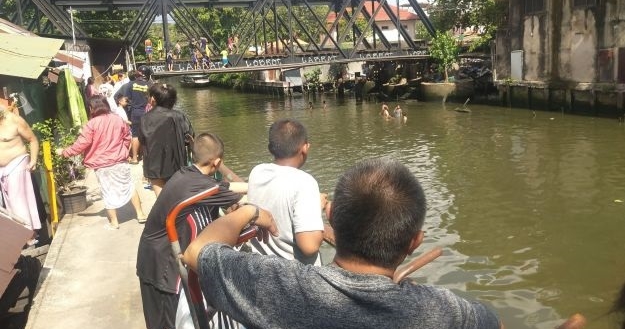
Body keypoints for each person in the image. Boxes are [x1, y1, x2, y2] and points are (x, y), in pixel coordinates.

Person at [183, 157, 502, 329]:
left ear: (331, 216)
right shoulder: (441, 310)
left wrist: (249, 212)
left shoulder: (281, 284)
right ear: (414, 243)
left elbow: (195, 251)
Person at [137, 133, 244, 329]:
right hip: (163, 269)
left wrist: (249, 185)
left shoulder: (187, 175)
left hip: (152, 259)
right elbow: (242, 202)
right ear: (217, 162)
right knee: (168, 322)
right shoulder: (199, 185)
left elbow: (226, 186)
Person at [246, 119, 325, 265]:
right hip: (295, 274)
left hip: (262, 267)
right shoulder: (305, 182)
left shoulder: (257, 172)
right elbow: (309, 246)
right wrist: (317, 207)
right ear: (305, 148)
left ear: (270, 149)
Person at [62, 95, 146, 229]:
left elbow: (81, 144)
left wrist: (65, 152)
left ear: (91, 108)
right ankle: (140, 214)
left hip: (101, 164)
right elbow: (127, 137)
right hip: (119, 161)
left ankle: (114, 222)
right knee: (129, 186)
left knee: (107, 191)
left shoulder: (91, 124)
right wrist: (123, 151)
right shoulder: (117, 119)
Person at [138, 83, 193, 197]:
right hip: (177, 163)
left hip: (154, 165)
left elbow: (142, 140)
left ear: (153, 99)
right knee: (177, 194)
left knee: (161, 196)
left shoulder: (144, 118)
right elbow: (189, 138)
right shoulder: (179, 116)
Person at [0, 106, 41, 236]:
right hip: (2, 169)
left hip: (17, 162)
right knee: (8, 206)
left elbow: (32, 139)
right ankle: (19, 236)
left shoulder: (15, 120)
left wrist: (33, 160)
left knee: (17, 201)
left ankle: (28, 235)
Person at [114, 66, 152, 164]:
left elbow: (122, 97)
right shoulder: (151, 85)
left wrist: (128, 107)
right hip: (148, 112)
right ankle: (146, 158)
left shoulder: (131, 84)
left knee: (135, 135)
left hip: (135, 112)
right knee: (147, 134)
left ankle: (135, 158)